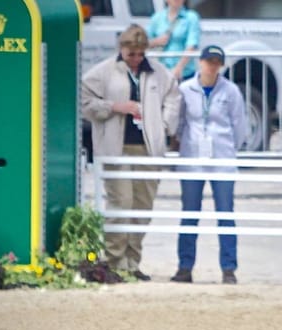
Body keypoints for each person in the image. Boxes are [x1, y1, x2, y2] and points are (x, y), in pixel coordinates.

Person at [80, 24, 181, 280]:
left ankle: (132, 262)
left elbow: (173, 97)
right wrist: (115, 106)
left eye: (140, 54)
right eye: (130, 54)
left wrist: (163, 125)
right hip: (116, 149)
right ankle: (114, 261)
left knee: (142, 206)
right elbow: (84, 101)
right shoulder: (103, 72)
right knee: (121, 203)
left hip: (148, 150)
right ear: (121, 49)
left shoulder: (159, 73)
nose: (135, 59)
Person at [170, 45, 248, 285]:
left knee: (225, 213)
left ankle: (228, 268)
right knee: (189, 213)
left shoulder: (231, 90)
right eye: (208, 61)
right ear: (200, 62)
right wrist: (181, 144)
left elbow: (239, 125)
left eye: (216, 62)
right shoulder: (185, 89)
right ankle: (185, 266)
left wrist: (229, 149)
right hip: (192, 157)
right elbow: (179, 122)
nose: (212, 66)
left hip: (221, 158)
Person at [147, 0, 201, 81]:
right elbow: (145, 43)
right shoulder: (157, 17)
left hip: (184, 74)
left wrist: (179, 68)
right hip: (161, 72)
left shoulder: (191, 17)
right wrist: (157, 41)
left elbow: (192, 45)